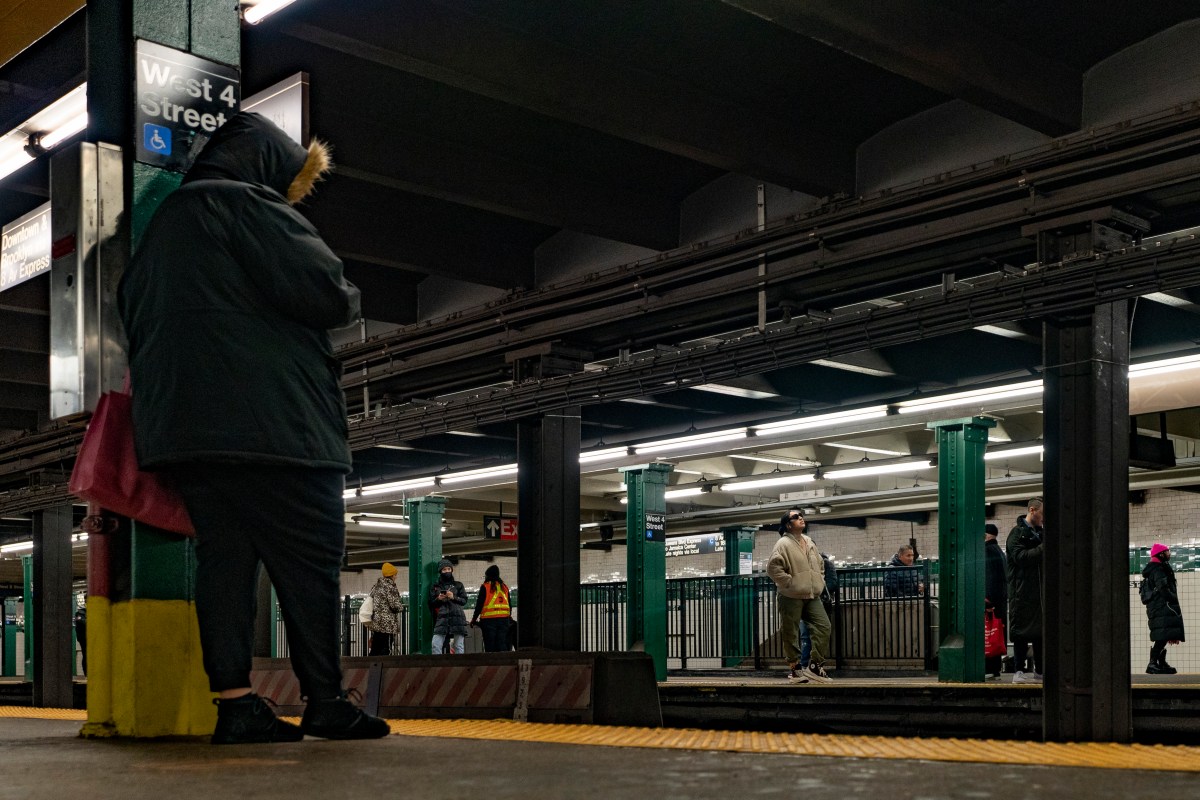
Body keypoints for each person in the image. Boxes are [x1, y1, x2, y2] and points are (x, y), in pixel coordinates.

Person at [118, 112, 388, 744]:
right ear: (267, 165)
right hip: (278, 426)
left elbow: (131, 313)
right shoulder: (248, 207)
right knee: (310, 566)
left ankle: (236, 704)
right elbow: (331, 294)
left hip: (189, 437)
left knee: (224, 564)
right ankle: (325, 699)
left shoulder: (161, 231)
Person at [767, 508, 832, 684]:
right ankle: (795, 669)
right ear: (788, 525)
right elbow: (773, 568)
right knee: (791, 632)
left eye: (801, 515)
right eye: (796, 517)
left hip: (812, 594)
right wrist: (789, 582)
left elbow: (819, 564)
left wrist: (820, 580)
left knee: (824, 626)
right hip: (791, 595)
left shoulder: (809, 541)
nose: (801, 518)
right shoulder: (783, 544)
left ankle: (814, 666)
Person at [1006, 497, 1045, 684]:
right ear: (1032, 510)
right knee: (1021, 631)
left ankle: (1040, 671)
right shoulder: (1016, 534)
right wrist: (1044, 548)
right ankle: (1019, 671)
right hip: (1020, 591)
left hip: (1038, 591)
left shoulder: (1041, 533)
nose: (1044, 518)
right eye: (1042, 514)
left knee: (1040, 632)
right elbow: (1020, 557)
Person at [1142, 543, 1185, 675]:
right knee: (1162, 635)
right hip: (1162, 606)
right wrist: (1172, 599)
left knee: (1164, 635)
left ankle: (1160, 662)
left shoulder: (1158, 568)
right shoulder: (1158, 569)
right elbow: (1163, 588)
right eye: (1167, 551)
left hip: (1160, 606)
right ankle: (1153, 663)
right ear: (1160, 554)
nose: (1169, 554)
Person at [799, 552, 838, 669]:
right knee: (806, 636)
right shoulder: (803, 565)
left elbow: (832, 584)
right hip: (806, 603)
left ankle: (813, 664)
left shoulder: (826, 564)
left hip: (819, 604)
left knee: (816, 634)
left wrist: (816, 589)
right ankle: (806, 665)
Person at [983, 523, 1009, 677]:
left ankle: (988, 668)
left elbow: (989, 576)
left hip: (990, 600)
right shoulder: (999, 551)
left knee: (987, 634)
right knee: (996, 633)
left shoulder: (986, 551)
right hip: (1000, 599)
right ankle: (996, 668)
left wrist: (987, 600)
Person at [470, 564, 512, 652]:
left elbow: (479, 604)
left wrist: (474, 619)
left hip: (488, 621)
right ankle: (504, 663)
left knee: (490, 645)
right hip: (504, 620)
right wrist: (509, 618)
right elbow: (509, 604)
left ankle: (492, 664)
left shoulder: (485, 586)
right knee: (502, 643)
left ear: (487, 575)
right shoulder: (504, 587)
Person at [430, 559, 468, 654]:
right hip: (442, 618)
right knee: (435, 644)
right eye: (444, 570)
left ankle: (459, 667)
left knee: (458, 645)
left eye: (448, 569)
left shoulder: (458, 585)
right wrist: (439, 599)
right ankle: (437, 667)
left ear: (451, 570)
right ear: (440, 571)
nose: (447, 571)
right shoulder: (435, 586)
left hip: (458, 618)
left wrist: (453, 597)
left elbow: (464, 600)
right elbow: (431, 603)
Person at [368, 563, 403, 656]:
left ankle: (369, 667)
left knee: (375, 648)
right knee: (385, 648)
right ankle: (383, 669)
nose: (396, 577)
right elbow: (394, 605)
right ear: (392, 575)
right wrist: (401, 607)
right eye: (395, 575)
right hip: (387, 625)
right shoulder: (390, 587)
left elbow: (370, 601)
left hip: (376, 622)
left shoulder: (376, 586)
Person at [73, 605, 87, 676]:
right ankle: (86, 674)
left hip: (87, 638)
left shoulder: (80, 614)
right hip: (84, 638)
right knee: (86, 655)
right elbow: (84, 623)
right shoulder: (79, 613)